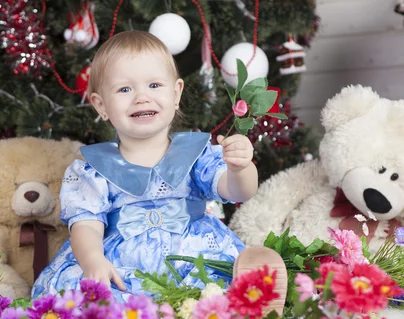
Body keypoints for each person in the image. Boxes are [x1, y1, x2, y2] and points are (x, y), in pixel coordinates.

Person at [32, 31, 260, 302]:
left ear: (176, 94)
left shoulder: (196, 154)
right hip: (125, 264)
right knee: (85, 298)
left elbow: (239, 192)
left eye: (154, 85)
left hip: (194, 255)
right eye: (125, 89)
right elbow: (86, 226)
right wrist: (93, 261)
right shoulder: (94, 169)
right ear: (101, 105)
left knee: (224, 290)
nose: (141, 97)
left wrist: (240, 168)